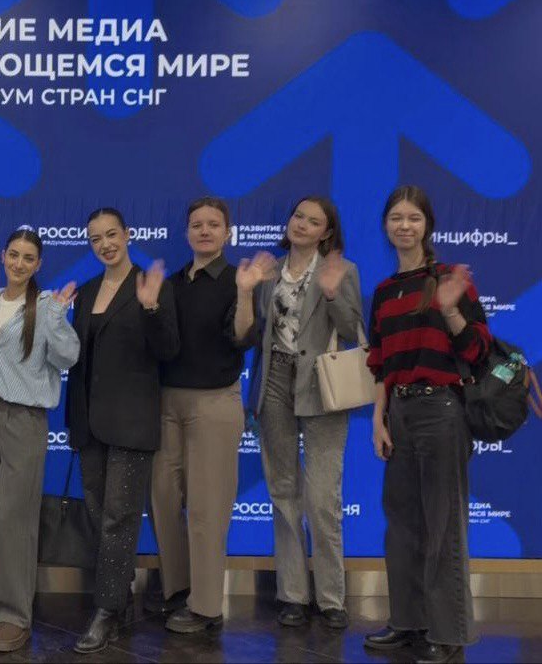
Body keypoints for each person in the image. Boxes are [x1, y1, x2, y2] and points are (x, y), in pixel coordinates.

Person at [363, 186, 490, 664]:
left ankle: (448, 632)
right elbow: (380, 363)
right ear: (385, 226)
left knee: (443, 527)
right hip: (398, 413)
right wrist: (378, 420)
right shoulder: (383, 292)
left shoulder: (449, 280)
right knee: (402, 527)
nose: (404, 226)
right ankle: (408, 622)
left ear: (427, 225)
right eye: (396, 217)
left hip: (442, 411)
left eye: (413, 218)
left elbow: (478, 351)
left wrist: (451, 310)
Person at [241, 196, 363, 629]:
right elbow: (256, 334)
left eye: (314, 221)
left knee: (323, 497)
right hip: (274, 380)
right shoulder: (270, 271)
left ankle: (331, 598)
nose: (302, 225)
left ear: (327, 232)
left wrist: (331, 294)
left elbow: (353, 331)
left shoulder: (342, 270)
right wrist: (247, 290)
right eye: (298, 216)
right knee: (283, 490)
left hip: (321, 384)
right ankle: (292, 593)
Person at [65, 207, 179, 655]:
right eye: (96, 239)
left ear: (128, 235)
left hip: (131, 422)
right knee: (99, 514)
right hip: (89, 423)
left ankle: (106, 611)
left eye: (111, 234)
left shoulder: (152, 287)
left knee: (118, 517)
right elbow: (80, 361)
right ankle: (119, 592)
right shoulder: (88, 290)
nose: (105, 244)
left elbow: (168, 350)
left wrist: (151, 307)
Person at [0, 228, 80, 653]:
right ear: (2, 256)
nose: (19, 263)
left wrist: (59, 320)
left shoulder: (46, 307)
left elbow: (67, 357)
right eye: (14, 254)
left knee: (15, 517)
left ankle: (15, 616)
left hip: (24, 419)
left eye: (29, 258)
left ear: (38, 264)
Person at [150, 198, 257, 634]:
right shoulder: (171, 283)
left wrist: (247, 293)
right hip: (167, 402)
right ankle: (179, 591)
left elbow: (242, 336)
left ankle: (207, 607)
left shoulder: (238, 280)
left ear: (227, 233)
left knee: (207, 509)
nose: (205, 231)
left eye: (214, 224)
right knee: (162, 500)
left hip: (214, 403)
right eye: (197, 224)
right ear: (187, 232)